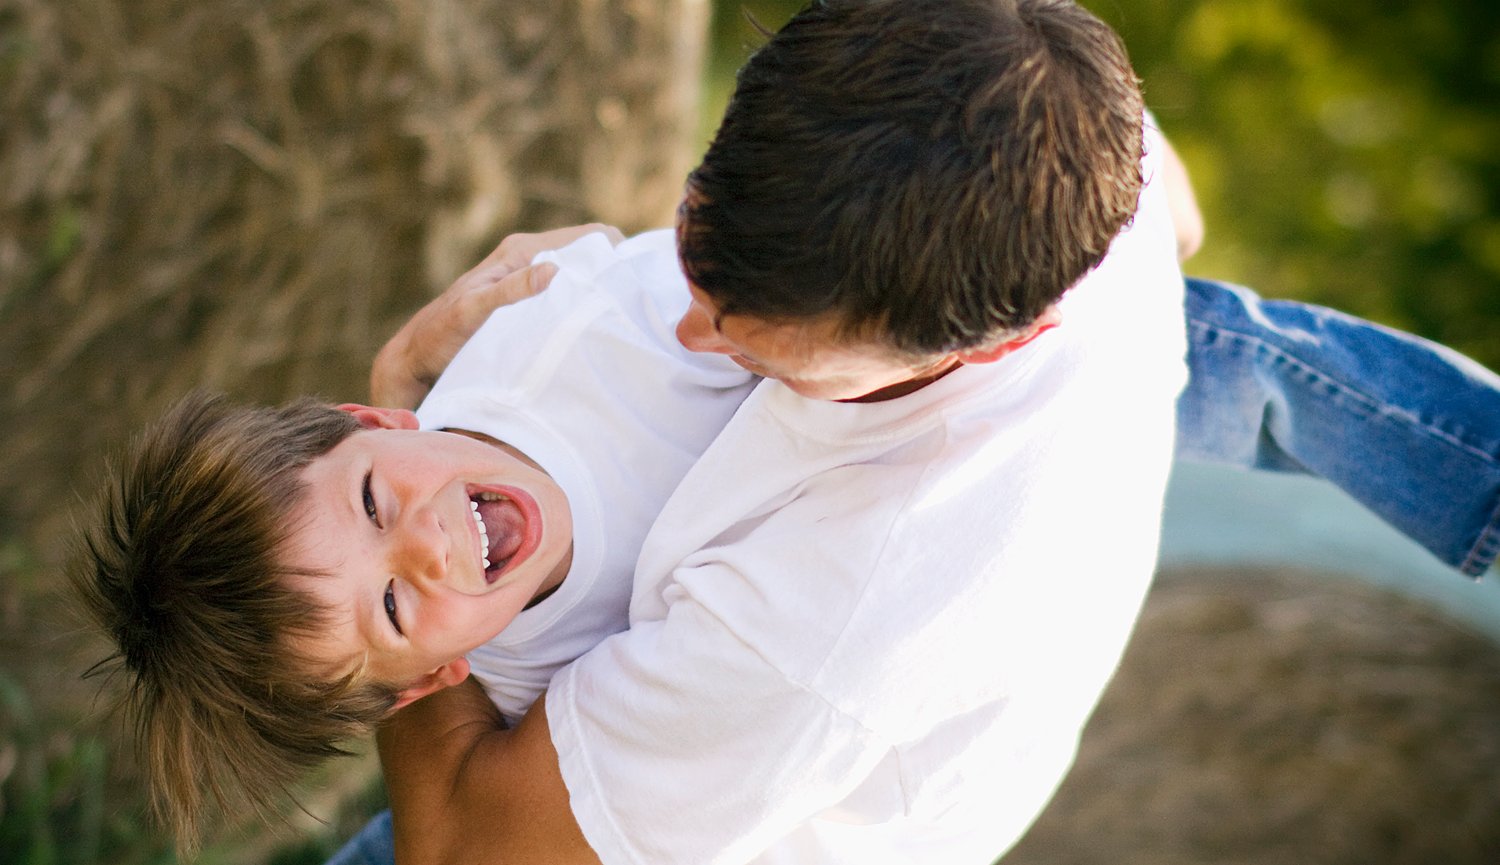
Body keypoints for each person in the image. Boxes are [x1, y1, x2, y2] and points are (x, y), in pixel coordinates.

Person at [351, 2, 1495, 864]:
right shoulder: (1040, 95)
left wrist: (406, 431)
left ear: (986, 350)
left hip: (671, 816)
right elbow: (1173, 213)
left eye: (760, 345)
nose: (688, 330)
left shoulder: (841, 607)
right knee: (1225, 345)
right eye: (697, 238)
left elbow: (463, 844)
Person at [72, 227, 758, 851]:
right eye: (391, 606)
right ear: (428, 681)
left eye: (372, 501)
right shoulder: (527, 711)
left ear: (377, 419)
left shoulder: (581, 336)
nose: (427, 545)